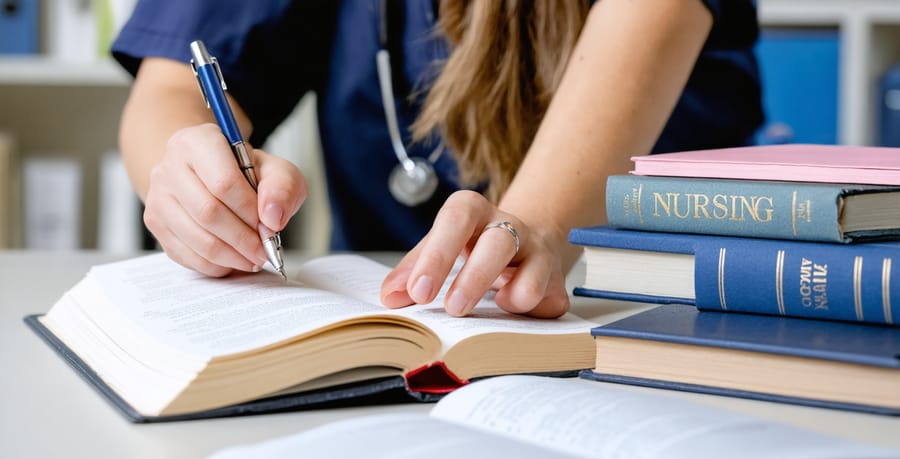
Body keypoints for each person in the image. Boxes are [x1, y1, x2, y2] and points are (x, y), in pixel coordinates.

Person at [112, 0, 763, 319]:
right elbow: (171, 90)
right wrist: (195, 185)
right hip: (386, 333)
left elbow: (535, 233)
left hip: (661, 327)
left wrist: (523, 233)